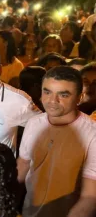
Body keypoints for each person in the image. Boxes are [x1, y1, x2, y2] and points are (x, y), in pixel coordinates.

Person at [17, 66, 96, 217]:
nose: (52, 101)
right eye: (47, 92)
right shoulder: (34, 123)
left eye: (63, 95)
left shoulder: (92, 134)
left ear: (79, 97)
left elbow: (90, 197)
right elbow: (23, 166)